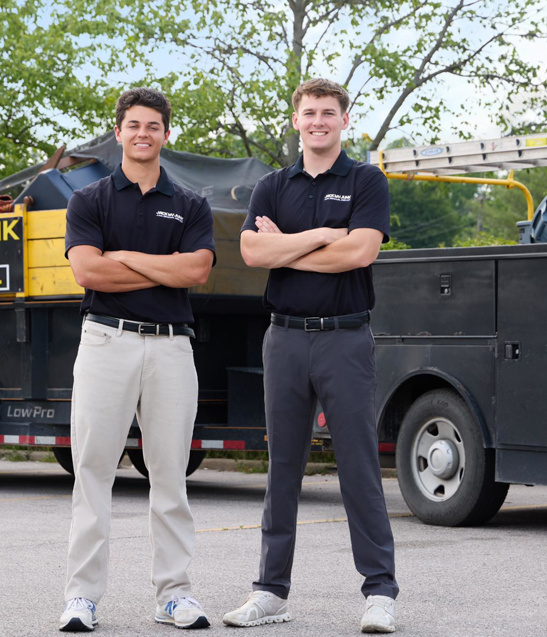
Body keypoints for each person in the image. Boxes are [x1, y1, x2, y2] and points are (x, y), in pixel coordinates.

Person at [222, 78, 399, 633]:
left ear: (345, 120)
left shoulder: (367, 180)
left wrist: (289, 246)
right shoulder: (272, 186)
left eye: (328, 113)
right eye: (309, 113)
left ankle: (379, 593)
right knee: (283, 469)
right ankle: (270, 592)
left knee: (358, 467)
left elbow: (362, 251)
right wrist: (325, 235)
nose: (318, 121)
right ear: (295, 120)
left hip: (344, 337)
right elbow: (252, 251)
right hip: (286, 338)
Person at [59, 87, 215, 632]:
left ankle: (174, 595)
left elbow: (196, 271)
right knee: (93, 472)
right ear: (119, 132)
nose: (143, 134)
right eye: (134, 125)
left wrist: (122, 256)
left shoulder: (192, 204)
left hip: (172, 346)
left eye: (154, 125)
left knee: (169, 476)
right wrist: (160, 265)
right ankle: (82, 597)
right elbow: (88, 273)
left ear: (166, 134)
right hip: (106, 341)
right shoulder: (90, 200)